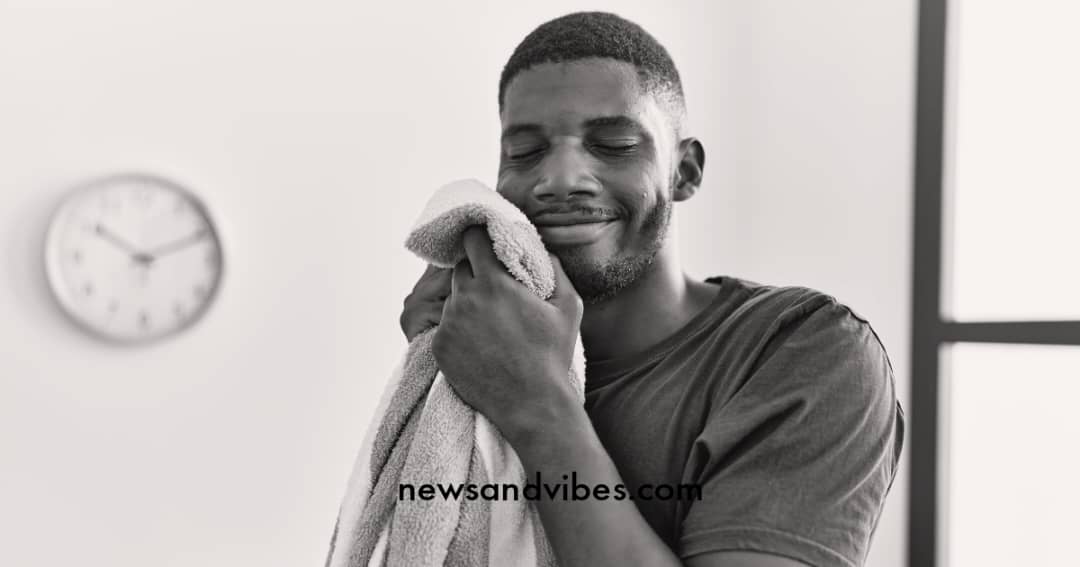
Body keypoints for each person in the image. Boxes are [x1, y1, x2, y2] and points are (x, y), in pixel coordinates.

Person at [399, 11, 904, 567]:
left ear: (684, 172)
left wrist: (534, 402)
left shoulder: (803, 350)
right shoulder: (477, 351)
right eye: (524, 152)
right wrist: (440, 380)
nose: (561, 178)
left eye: (614, 144)